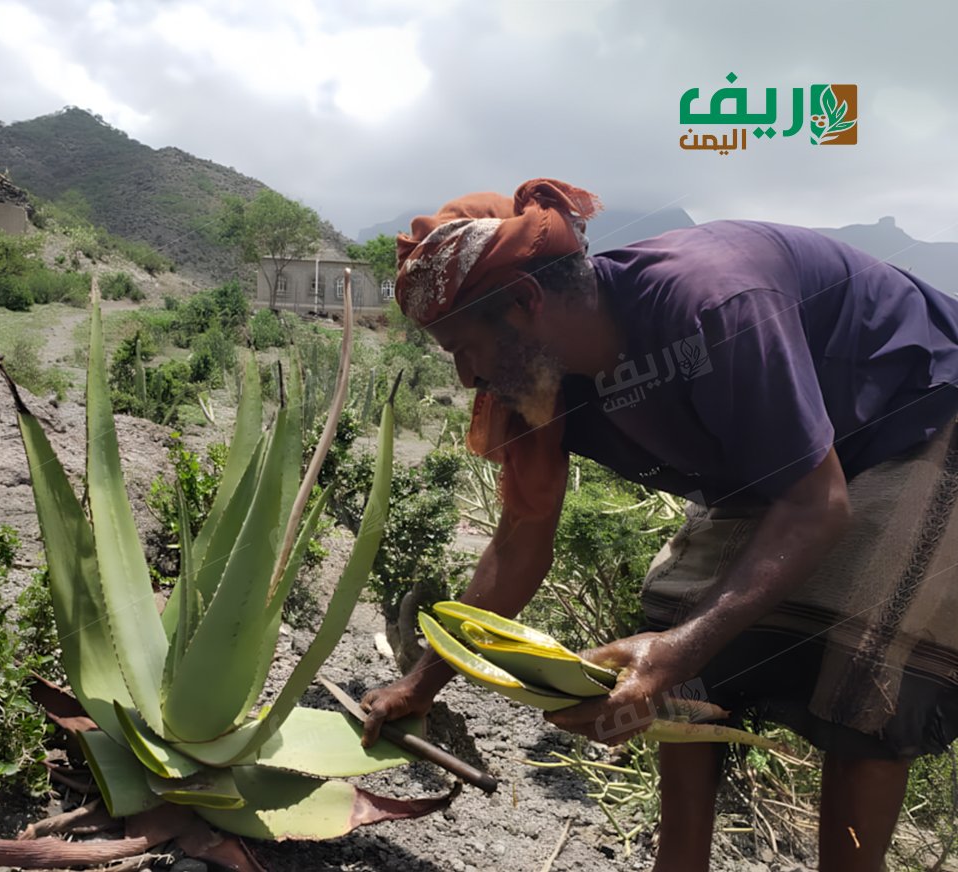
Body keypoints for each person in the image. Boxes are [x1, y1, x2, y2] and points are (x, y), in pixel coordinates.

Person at [358, 178, 958, 872]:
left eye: (464, 346)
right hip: (782, 461)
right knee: (675, 620)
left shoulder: (712, 303)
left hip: (914, 414)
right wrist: (422, 685)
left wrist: (678, 651)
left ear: (525, 303)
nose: (465, 378)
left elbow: (816, 506)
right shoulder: (537, 383)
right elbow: (521, 542)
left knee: (864, 681)